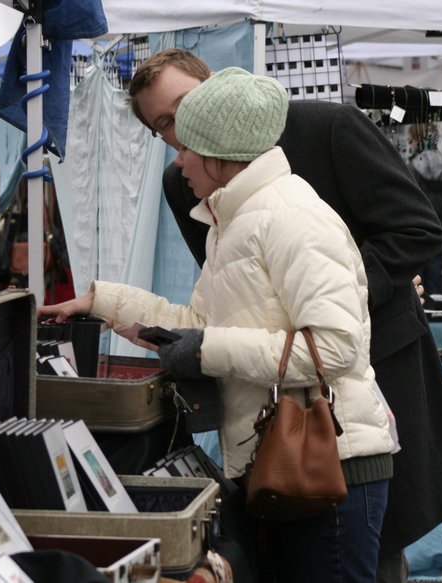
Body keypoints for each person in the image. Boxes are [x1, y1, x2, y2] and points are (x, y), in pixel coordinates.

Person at [128, 49, 442, 583]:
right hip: (274, 401)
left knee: (370, 543)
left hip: (368, 373)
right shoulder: (185, 182)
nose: (179, 134)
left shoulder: (329, 127)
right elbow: (229, 287)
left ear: (218, 86)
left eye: (184, 107)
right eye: (163, 126)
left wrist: (348, 287)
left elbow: (416, 229)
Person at [39, 67, 397, 582]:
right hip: (289, 462)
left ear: (221, 153)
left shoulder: (293, 217)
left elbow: (337, 348)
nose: (177, 156)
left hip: (330, 465)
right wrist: (102, 303)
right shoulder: (234, 220)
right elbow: (199, 325)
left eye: (188, 145)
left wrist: (205, 348)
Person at [406, 124, 442, 295]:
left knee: (414, 289)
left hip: (414, 237)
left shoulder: (411, 169)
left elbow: (406, 205)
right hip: (438, 235)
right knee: (436, 288)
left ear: (416, 139)